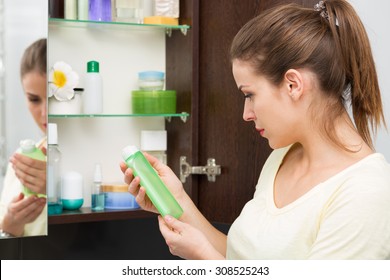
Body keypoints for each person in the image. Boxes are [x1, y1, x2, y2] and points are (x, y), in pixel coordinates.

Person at [121, 0, 390, 259]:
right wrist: (176, 200)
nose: (246, 115)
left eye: (249, 94)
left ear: (293, 85)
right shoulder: (282, 157)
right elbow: (245, 260)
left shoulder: (366, 192)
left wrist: (204, 259)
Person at [0, 38, 47, 238]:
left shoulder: (85, 155)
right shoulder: (19, 161)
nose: (44, 113)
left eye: (52, 97)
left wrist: (53, 188)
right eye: (34, 99)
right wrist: (10, 223)